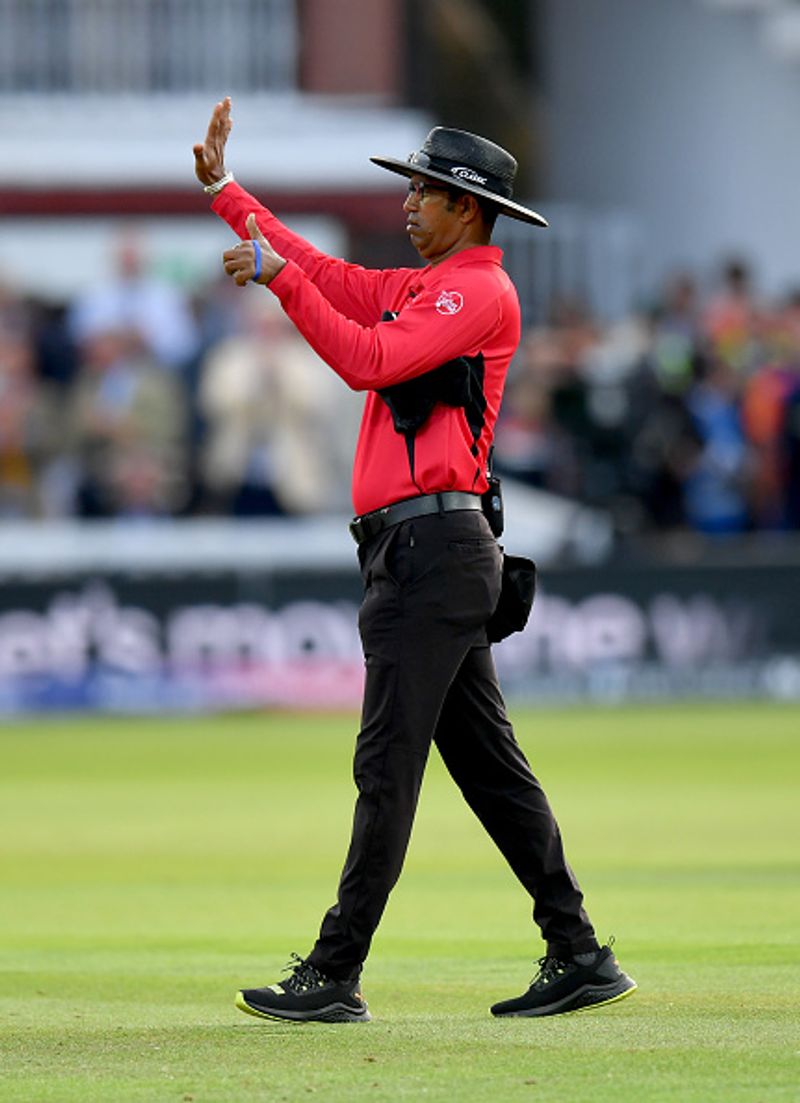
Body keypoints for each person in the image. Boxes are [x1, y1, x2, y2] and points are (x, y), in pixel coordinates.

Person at [193, 97, 637, 1022]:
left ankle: (335, 969)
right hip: (430, 548)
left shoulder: (475, 291)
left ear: (467, 208)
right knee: (489, 771)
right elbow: (324, 271)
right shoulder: (436, 286)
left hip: (429, 551)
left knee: (387, 764)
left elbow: (362, 356)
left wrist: (277, 278)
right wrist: (231, 195)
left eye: (425, 191)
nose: (409, 204)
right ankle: (579, 950)